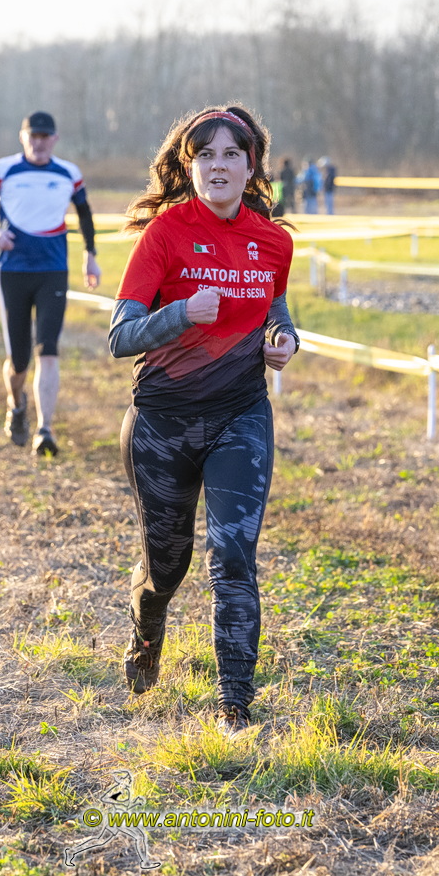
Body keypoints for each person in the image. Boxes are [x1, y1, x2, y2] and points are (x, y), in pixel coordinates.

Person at [109, 105, 298, 734]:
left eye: (231, 155)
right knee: (167, 565)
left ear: (251, 166)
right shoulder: (164, 235)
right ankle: (147, 628)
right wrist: (182, 313)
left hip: (240, 415)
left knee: (234, 556)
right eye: (206, 155)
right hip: (162, 423)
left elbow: (275, 309)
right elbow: (120, 336)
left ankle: (234, 707)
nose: (219, 166)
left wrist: (283, 340)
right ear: (188, 167)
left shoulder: (273, 242)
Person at [0, 111, 100, 457]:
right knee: (19, 359)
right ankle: (16, 404)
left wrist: (90, 254)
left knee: (49, 349)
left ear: (55, 139)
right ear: (23, 137)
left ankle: (45, 430)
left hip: (53, 270)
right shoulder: (3, 169)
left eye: (45, 137)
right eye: (33, 136)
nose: (39, 143)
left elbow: (85, 214)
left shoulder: (69, 173)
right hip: (13, 271)